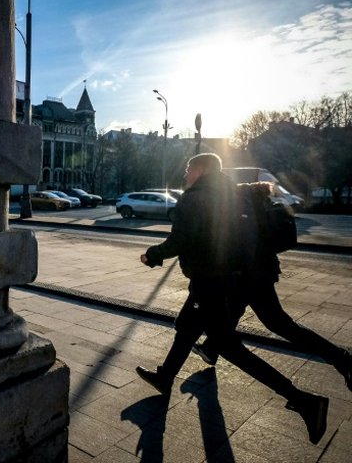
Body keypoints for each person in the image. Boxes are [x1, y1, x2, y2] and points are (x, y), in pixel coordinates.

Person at [135, 153, 329, 445]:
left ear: (200, 170)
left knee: (229, 347)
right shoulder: (229, 195)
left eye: (189, 170)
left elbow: (180, 241)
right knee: (187, 326)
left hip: (209, 281)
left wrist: (151, 255)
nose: (186, 175)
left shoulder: (194, 198)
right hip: (226, 278)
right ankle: (165, 376)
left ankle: (304, 401)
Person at [191, 182, 352, 391]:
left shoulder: (241, 207)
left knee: (279, 324)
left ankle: (341, 358)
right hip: (260, 272)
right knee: (232, 314)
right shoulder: (258, 205)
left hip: (250, 275)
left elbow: (241, 243)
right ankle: (211, 348)